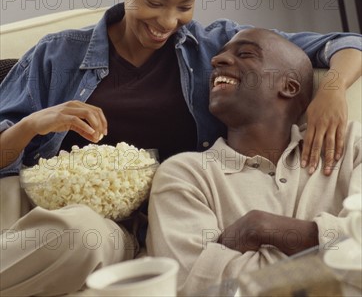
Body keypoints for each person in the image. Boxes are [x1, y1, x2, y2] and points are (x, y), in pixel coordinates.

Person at [0, 0, 361, 296]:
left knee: (86, 240)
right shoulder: (57, 56)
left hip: (157, 222)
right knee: (72, 232)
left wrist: (333, 90)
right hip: (66, 214)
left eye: (184, 6)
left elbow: (342, 44)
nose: (168, 21)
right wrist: (33, 124)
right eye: (155, 2)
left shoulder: (215, 48)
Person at [146, 28, 362, 296]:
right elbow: (195, 288)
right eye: (218, 55)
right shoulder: (185, 175)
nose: (216, 61)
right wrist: (337, 253)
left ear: (289, 86)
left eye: (246, 54)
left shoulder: (352, 144)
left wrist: (260, 228)